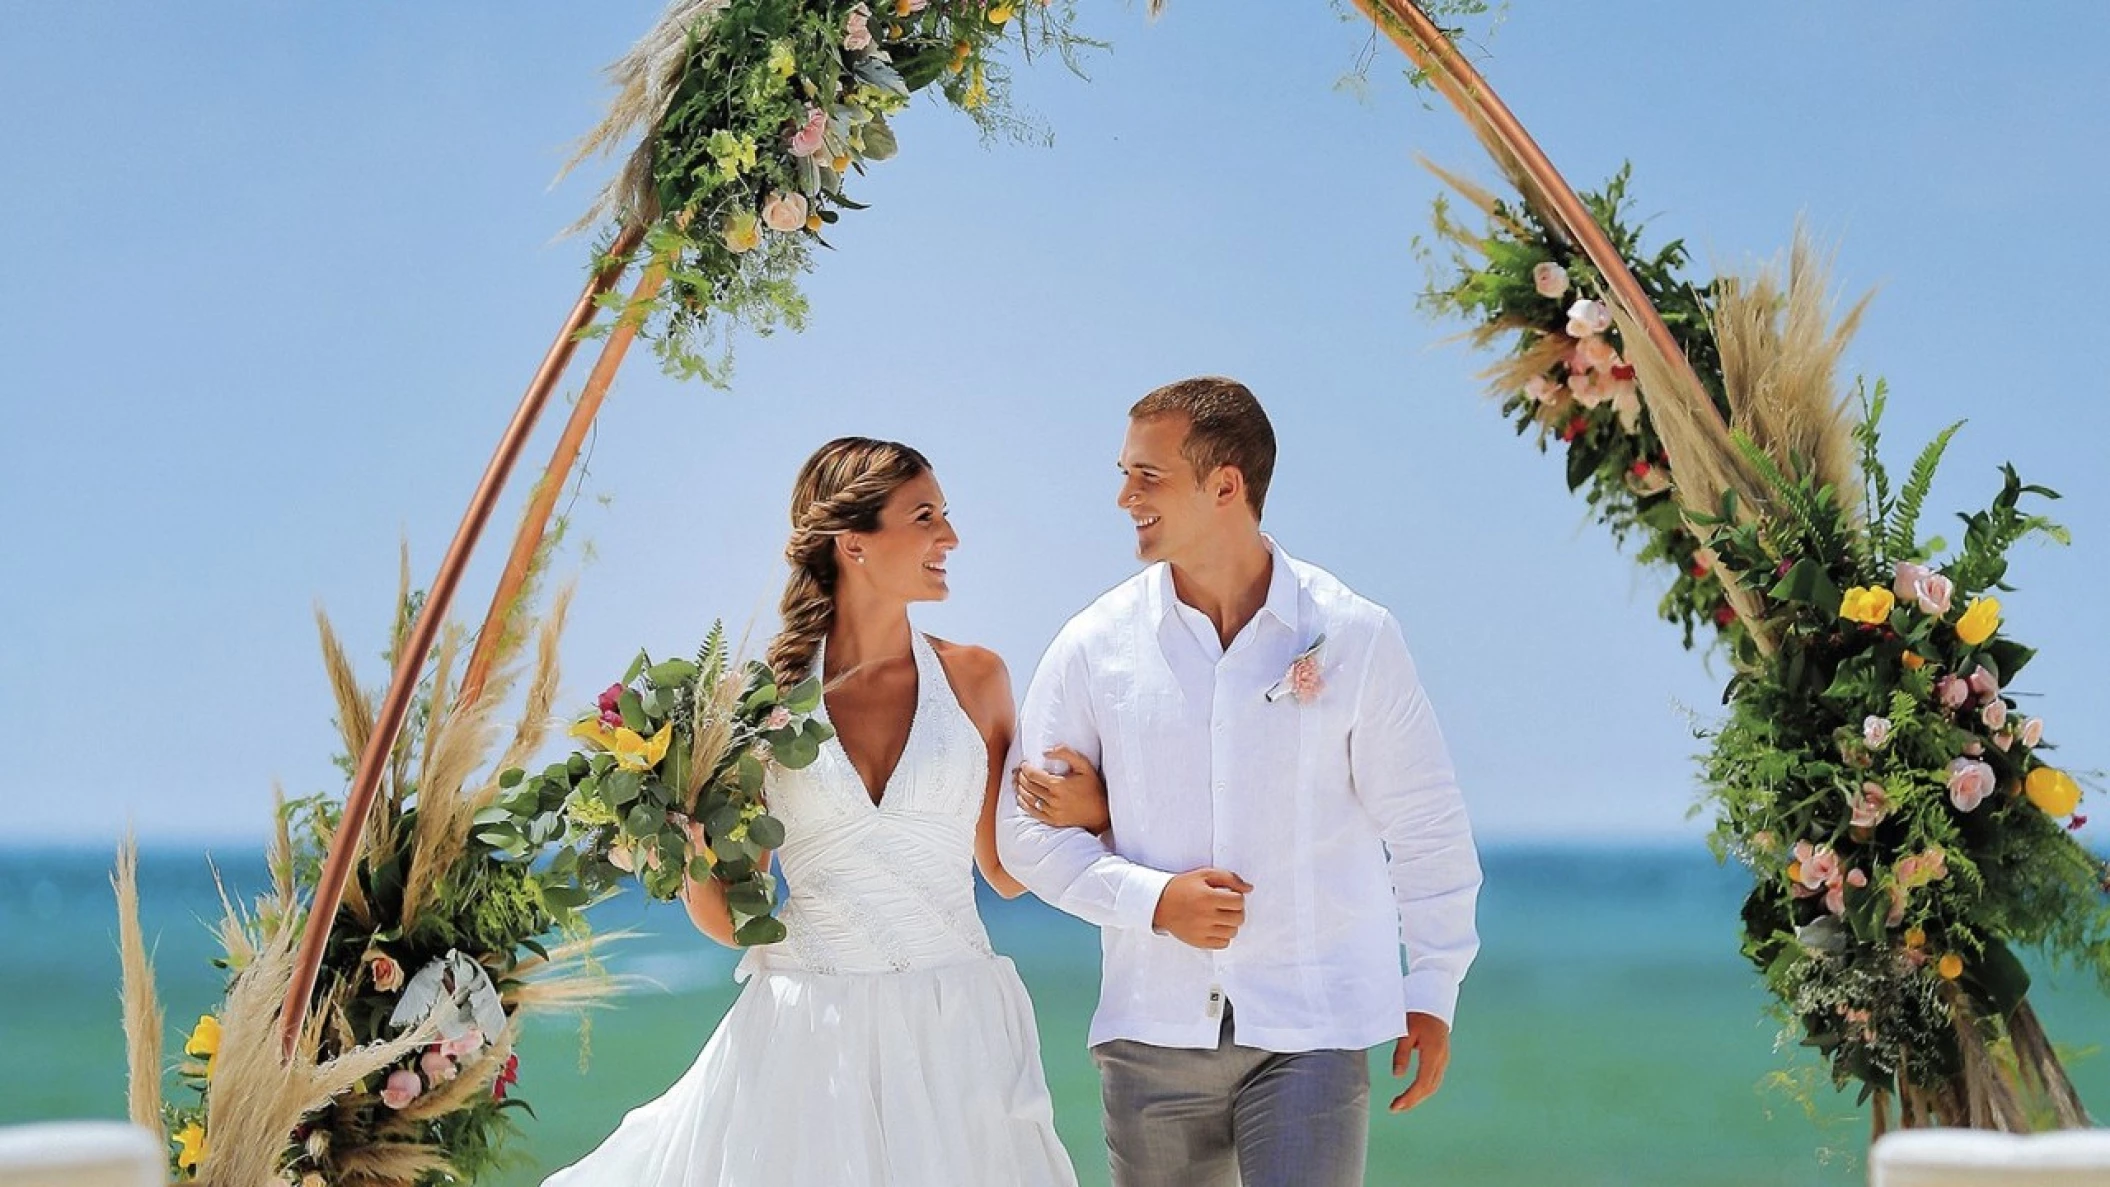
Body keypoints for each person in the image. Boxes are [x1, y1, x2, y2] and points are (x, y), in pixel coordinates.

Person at [545, 437, 1079, 1187]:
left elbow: (1006, 867)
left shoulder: (977, 677)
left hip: (957, 1028)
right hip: (805, 1040)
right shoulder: (760, 703)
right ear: (852, 542)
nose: (949, 537)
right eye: (925, 516)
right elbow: (737, 918)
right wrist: (692, 851)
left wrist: (1086, 809)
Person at [998, 377, 1482, 1187]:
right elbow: (1027, 832)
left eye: (1147, 476)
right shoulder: (1094, 645)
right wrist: (1154, 900)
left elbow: (1426, 821)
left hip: (1313, 1029)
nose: (1123, 497)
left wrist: (1433, 984)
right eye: (1125, 472)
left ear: (1226, 485)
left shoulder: (1355, 635)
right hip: (1151, 1031)